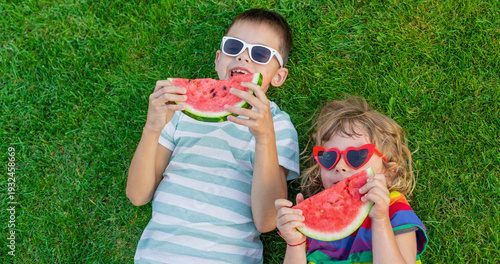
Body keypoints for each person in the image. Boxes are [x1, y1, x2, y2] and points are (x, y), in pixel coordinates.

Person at [127, 8, 300, 263]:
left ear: (278, 77)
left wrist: (264, 138)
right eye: (234, 46)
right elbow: (137, 195)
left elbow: (266, 221)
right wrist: (151, 129)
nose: (242, 57)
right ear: (218, 59)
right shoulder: (181, 110)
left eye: (260, 53)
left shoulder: (279, 127)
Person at [275, 96, 428, 263]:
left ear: (388, 174)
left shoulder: (394, 208)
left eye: (356, 156)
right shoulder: (311, 217)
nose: (340, 166)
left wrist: (380, 219)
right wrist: (295, 244)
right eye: (329, 157)